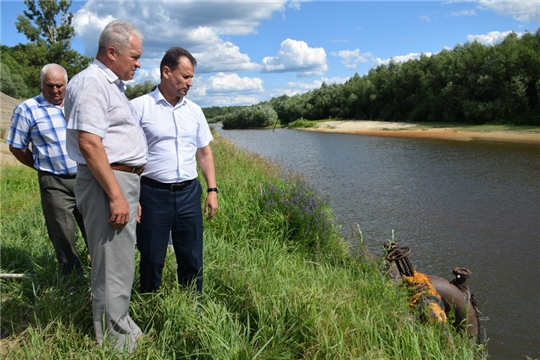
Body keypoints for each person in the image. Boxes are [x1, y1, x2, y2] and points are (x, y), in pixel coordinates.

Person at [64, 20, 146, 352]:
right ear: (111, 52)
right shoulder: (92, 83)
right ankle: (115, 342)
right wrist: (116, 193)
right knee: (112, 264)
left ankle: (121, 327)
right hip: (106, 183)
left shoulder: (110, 86)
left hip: (117, 181)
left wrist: (129, 192)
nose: (138, 63)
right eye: (135, 56)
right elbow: (89, 143)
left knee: (120, 260)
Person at [131, 46, 218, 294]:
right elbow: (128, 157)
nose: (190, 83)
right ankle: (149, 301)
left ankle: (193, 304)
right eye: (185, 76)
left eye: (192, 77)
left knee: (191, 254)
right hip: (152, 194)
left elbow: (204, 152)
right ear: (166, 72)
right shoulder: (139, 108)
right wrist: (133, 196)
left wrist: (212, 189)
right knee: (151, 256)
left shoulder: (195, 111)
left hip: (189, 192)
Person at [6, 63, 88, 276]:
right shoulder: (27, 109)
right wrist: (41, 165)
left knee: (94, 228)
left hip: (86, 178)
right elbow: (16, 146)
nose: (55, 90)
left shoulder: (78, 104)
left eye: (59, 86)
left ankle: (100, 273)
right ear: (41, 84)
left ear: (67, 84)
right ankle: (72, 279)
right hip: (54, 182)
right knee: (62, 233)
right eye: (49, 86)